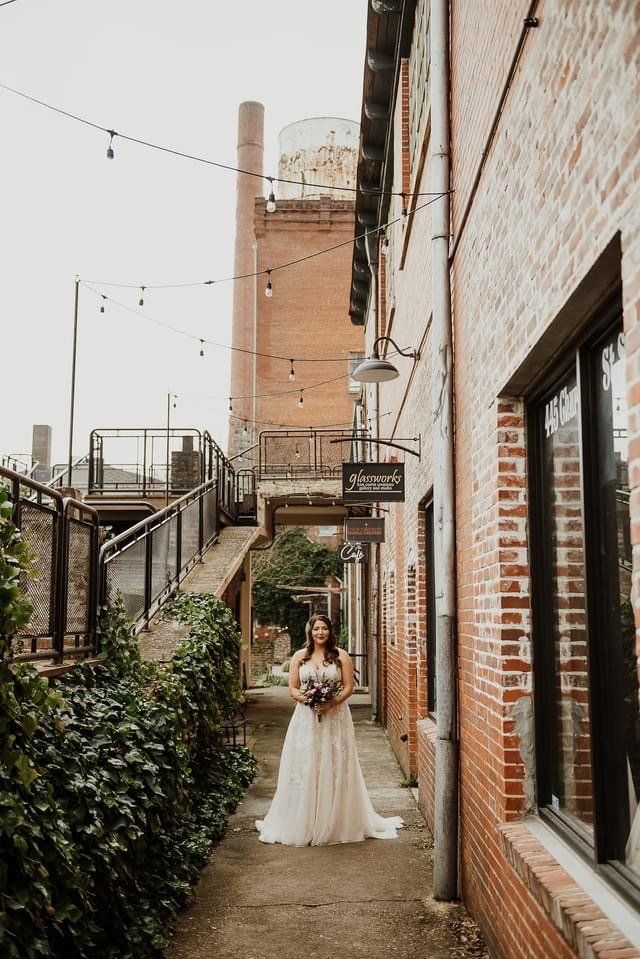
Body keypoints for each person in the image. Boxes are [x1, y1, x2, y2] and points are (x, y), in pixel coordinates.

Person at [255, 614, 404, 846]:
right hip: (305, 719)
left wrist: (331, 702)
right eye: (316, 629)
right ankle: (305, 818)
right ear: (310, 632)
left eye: (324, 628)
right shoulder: (299, 657)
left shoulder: (340, 656)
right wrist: (306, 699)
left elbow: (348, 687)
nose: (320, 633)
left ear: (330, 631)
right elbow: (292, 688)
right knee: (306, 763)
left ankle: (335, 819)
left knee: (334, 763)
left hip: (336, 718)